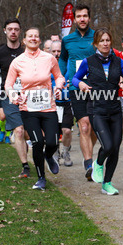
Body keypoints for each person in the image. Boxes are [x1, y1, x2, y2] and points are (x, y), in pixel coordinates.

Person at [71, 29, 123, 195]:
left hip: (115, 110)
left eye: (108, 40)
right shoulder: (88, 61)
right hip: (97, 109)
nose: (105, 43)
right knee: (107, 145)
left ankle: (107, 183)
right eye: (102, 41)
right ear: (96, 43)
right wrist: (80, 85)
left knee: (115, 148)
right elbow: (74, 78)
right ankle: (98, 164)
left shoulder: (118, 61)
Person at [6, 28, 67, 191]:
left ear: (40, 41)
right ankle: (41, 178)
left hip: (48, 107)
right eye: (30, 36)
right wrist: (13, 95)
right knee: (38, 141)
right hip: (28, 109)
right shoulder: (17, 62)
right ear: (24, 40)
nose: (33, 38)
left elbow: (59, 76)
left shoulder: (49, 58)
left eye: (36, 36)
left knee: (53, 141)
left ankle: (49, 155)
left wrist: (59, 86)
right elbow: (8, 84)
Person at [0, 19, 31, 177]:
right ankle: (25, 166)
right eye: (10, 29)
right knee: (18, 131)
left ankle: (25, 144)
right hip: (8, 95)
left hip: (28, 95)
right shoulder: (0, 52)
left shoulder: (27, 50)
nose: (13, 32)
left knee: (27, 133)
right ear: (4, 30)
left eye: (16, 29)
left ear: (20, 31)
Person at [60, 6, 98, 179]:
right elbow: (63, 59)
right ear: (74, 19)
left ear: (89, 18)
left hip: (97, 87)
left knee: (94, 128)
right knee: (84, 125)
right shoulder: (67, 40)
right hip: (76, 88)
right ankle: (89, 163)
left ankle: (92, 157)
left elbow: (107, 56)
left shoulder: (97, 37)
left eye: (85, 16)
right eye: (79, 16)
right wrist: (61, 77)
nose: (82, 19)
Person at [44, 37, 74, 166]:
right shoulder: (45, 65)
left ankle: (66, 152)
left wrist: (71, 83)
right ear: (50, 52)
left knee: (66, 130)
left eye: (59, 51)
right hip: (51, 102)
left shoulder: (69, 64)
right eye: (54, 51)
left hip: (67, 101)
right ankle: (55, 152)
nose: (57, 54)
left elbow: (77, 77)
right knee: (54, 131)